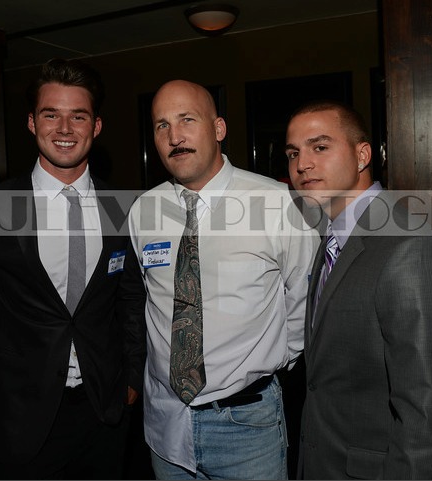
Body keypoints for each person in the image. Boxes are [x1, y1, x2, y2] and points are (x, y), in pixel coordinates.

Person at [0, 58, 146, 479]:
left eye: (78, 116)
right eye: (51, 114)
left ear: (97, 126)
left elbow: (129, 298)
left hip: (104, 412)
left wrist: (133, 375)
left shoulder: (123, 207)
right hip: (19, 416)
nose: (65, 129)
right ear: (32, 123)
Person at [127, 79, 318, 479]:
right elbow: (145, 300)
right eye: (162, 125)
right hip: (165, 424)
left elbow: (304, 301)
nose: (174, 137)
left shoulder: (279, 205)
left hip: (247, 426)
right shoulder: (143, 211)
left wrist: (271, 363)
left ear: (218, 129)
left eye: (186, 120)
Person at [285, 99, 432, 479]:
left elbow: (426, 418)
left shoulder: (410, 250)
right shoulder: (333, 239)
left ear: (362, 154)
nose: (302, 164)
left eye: (319, 147)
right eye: (293, 153)